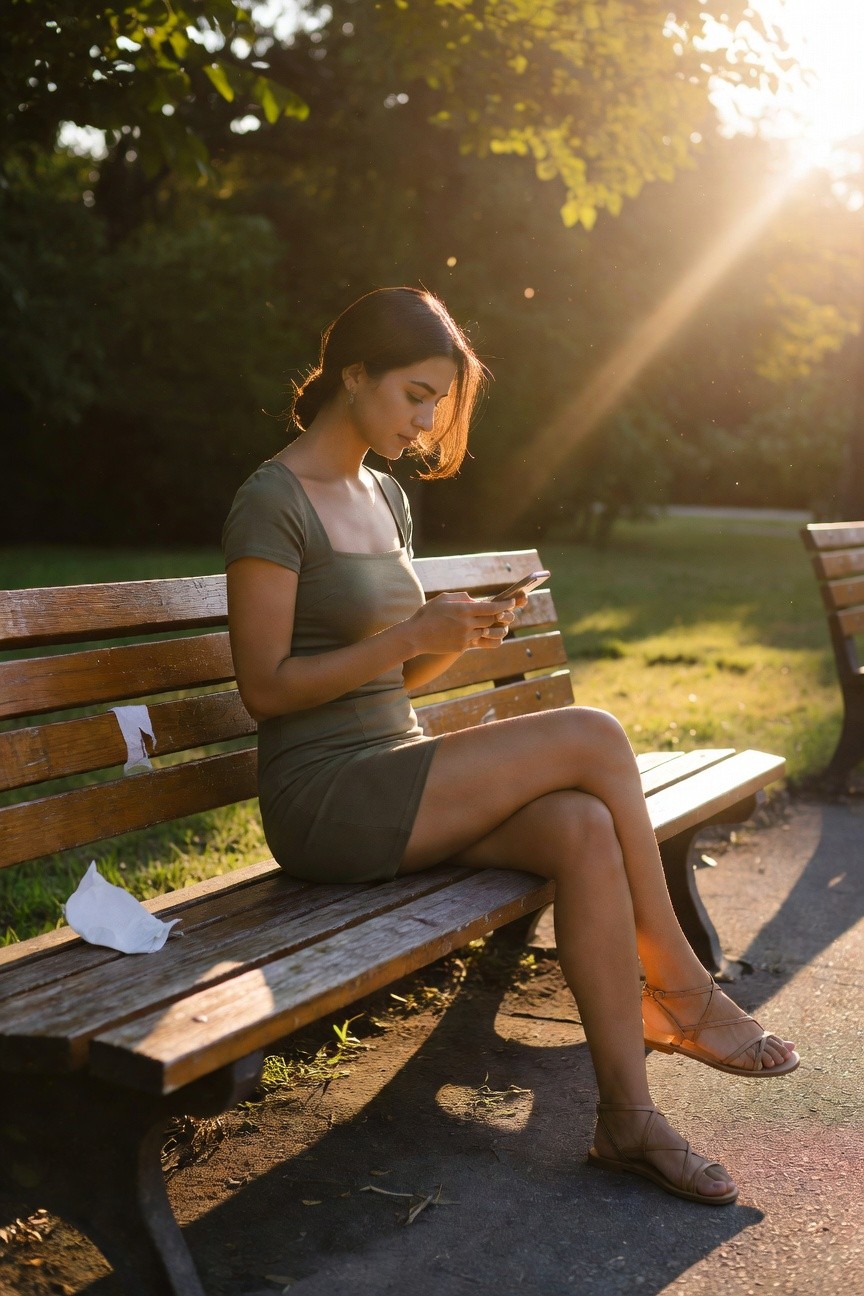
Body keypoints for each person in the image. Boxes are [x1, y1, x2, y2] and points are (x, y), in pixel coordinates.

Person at [223, 286, 798, 1208]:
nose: (427, 419)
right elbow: (267, 691)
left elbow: (388, 686)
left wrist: (447, 641)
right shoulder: (273, 501)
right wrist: (410, 636)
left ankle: (628, 1121)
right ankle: (682, 990)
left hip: (391, 771)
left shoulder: (384, 497)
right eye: (415, 394)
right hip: (325, 801)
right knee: (595, 735)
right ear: (354, 374)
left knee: (577, 825)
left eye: (438, 402)